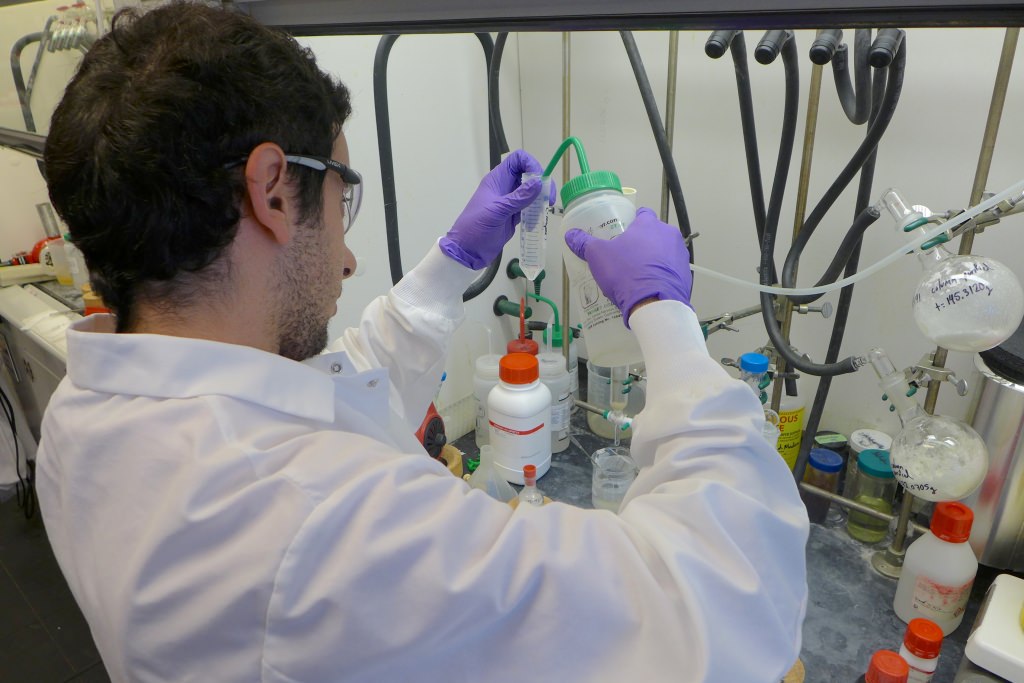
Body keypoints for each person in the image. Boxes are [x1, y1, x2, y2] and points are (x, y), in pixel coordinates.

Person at [37, 3, 809, 682]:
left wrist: (451, 266)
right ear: (273, 190)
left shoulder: (84, 417)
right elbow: (719, 604)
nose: (347, 256)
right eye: (344, 197)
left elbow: (328, 406)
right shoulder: (333, 531)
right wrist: (666, 318)